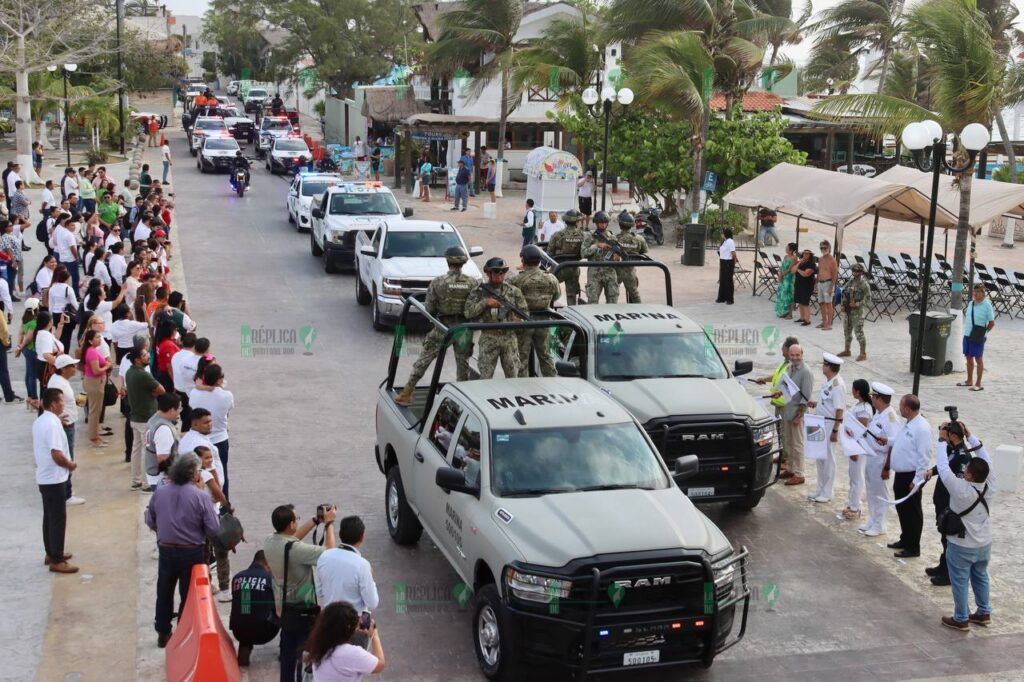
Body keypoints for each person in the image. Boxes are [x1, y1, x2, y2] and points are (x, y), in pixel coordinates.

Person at [145, 452, 220, 647]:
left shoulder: (161, 492)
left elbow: (150, 518)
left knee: (164, 590)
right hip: (192, 551)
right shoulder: (200, 496)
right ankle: (183, 632)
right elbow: (213, 528)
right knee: (188, 595)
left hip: (166, 549)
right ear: (194, 473)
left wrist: (162, 531)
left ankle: (163, 631)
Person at [927, 423, 992, 630]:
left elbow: (944, 467)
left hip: (962, 544)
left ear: (970, 475)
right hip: (984, 543)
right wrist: (971, 437)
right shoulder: (991, 484)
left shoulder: (961, 489)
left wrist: (941, 440)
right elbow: (985, 458)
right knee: (981, 577)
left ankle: (961, 617)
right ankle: (983, 612)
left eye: (967, 472)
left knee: (960, 580)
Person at [263, 503, 338, 682]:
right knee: (304, 656)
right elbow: (330, 553)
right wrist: (329, 524)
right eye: (296, 519)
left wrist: (315, 521)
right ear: (290, 524)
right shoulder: (296, 550)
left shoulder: (269, 541)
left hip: (284, 609)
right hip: (302, 610)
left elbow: (291, 540)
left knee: (287, 655)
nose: (298, 521)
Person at [393, 247, 476, 405]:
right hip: (463, 329)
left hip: (442, 327)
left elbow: (429, 308)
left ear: (448, 261)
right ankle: (463, 401)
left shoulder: (438, 282)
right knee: (463, 363)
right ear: (463, 263)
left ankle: (407, 393)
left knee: (424, 359)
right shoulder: (472, 282)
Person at [33, 388, 78, 573]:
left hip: (46, 477)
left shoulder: (44, 420)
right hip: (54, 478)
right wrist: (69, 465)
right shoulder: (51, 425)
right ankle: (56, 559)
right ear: (53, 404)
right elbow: (56, 454)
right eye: (61, 401)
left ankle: (51, 552)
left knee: (49, 517)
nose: (63, 403)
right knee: (58, 518)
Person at [882, 394, 932, 558]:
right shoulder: (909, 423)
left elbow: (924, 456)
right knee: (902, 509)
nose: (900, 409)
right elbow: (899, 441)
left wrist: (917, 481)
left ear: (908, 409)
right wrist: (887, 440)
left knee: (912, 512)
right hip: (901, 475)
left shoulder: (922, 428)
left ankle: (913, 546)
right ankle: (905, 538)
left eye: (901, 406)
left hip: (911, 476)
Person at [464, 257, 528, 380]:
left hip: (509, 338)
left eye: (503, 272)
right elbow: (468, 312)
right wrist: (485, 303)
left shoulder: (514, 291)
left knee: (513, 377)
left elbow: (525, 313)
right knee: (485, 378)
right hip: (489, 337)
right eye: (496, 272)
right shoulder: (479, 291)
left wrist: (519, 320)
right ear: (488, 273)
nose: (500, 275)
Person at [509, 245, 560, 377]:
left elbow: (508, 297)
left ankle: (522, 387)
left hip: (523, 321)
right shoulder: (551, 278)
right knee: (545, 355)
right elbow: (557, 296)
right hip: (544, 322)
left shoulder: (516, 279)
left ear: (523, 260)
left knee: (522, 357)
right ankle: (552, 382)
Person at [315, 516, 379, 621]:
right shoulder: (362, 564)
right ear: (362, 537)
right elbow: (372, 603)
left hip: (328, 621)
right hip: (353, 624)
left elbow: (319, 591)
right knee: (373, 631)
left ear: (340, 534)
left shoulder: (324, 556)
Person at [859, 382, 900, 536]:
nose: (872, 400)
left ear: (879, 399)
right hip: (871, 456)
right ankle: (872, 519)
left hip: (881, 459)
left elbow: (893, 443)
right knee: (871, 490)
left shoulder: (890, 417)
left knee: (881, 493)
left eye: (873, 397)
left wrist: (887, 467)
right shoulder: (879, 413)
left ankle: (880, 524)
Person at [306, 602, 386, 681]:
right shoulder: (350, 653)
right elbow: (380, 665)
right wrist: (374, 636)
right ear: (348, 627)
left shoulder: (319, 644)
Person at [189, 363, 234, 497]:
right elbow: (229, 409)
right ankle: (224, 502)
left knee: (200, 473)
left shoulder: (194, 393)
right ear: (219, 380)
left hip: (200, 441)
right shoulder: (227, 396)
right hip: (220, 439)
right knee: (221, 473)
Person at [230, 550, 281, 666]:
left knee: (246, 609)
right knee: (287, 609)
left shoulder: (238, 577)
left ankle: (244, 648)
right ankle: (285, 651)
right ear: (267, 565)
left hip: (239, 631)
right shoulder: (271, 579)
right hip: (266, 631)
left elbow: (244, 606)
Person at [806, 353, 845, 504]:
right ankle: (820, 488)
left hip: (829, 425)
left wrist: (835, 430)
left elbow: (839, 410)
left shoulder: (837, 385)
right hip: (820, 422)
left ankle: (828, 491)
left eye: (824, 364)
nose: (822, 366)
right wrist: (816, 404)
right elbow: (828, 404)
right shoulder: (829, 382)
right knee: (819, 457)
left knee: (828, 458)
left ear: (830, 367)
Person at [126, 344, 165, 490]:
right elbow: (161, 390)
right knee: (146, 450)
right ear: (137, 359)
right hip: (145, 418)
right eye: (144, 355)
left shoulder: (130, 372)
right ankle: (147, 481)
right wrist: (153, 393)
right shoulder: (143, 374)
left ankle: (136, 479)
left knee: (136, 449)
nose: (148, 356)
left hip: (135, 416)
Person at [778, 344, 813, 486]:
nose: (794, 358)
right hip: (788, 411)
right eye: (792, 355)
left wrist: (799, 415)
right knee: (789, 442)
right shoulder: (790, 368)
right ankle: (791, 468)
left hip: (797, 414)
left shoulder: (806, 372)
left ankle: (799, 473)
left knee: (797, 444)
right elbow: (786, 387)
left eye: (797, 355)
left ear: (802, 354)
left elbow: (806, 397)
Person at [844, 378, 872, 519]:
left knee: (857, 477)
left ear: (858, 391)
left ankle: (856, 506)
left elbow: (861, 431)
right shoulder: (859, 405)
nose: (852, 391)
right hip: (853, 446)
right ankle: (851, 503)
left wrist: (855, 449)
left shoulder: (864, 409)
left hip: (859, 447)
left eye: (853, 389)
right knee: (853, 476)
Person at [959, 284, 995, 391]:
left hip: (978, 335)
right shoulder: (971, 303)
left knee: (978, 358)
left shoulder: (987, 305)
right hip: (967, 334)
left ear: (983, 293)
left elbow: (992, 323)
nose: (975, 293)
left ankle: (978, 383)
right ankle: (969, 380)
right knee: (968, 357)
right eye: (974, 291)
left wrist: (984, 333)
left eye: (978, 292)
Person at [546, 209, 585, 305]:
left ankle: (549, 309)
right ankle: (571, 312)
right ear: (577, 221)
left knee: (547, 287)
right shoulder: (583, 235)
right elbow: (584, 252)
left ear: (565, 221)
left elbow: (549, 253)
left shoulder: (557, 235)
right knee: (571, 294)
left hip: (559, 268)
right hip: (574, 268)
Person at [81, 329, 111, 447]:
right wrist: (107, 366)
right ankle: (93, 438)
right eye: (97, 337)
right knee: (94, 411)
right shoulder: (92, 352)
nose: (100, 339)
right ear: (90, 340)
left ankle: (96, 435)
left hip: (97, 382)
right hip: (94, 382)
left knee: (97, 410)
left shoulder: (93, 350)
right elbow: (96, 370)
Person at [144, 392, 182, 490]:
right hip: (163, 480)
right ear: (172, 410)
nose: (179, 412)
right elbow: (163, 458)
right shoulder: (164, 429)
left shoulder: (153, 419)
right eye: (179, 409)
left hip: (154, 476)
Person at [582, 211, 621, 304]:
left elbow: (618, 256)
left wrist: (617, 257)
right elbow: (583, 253)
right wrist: (597, 246)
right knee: (593, 302)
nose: (603, 225)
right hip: (594, 273)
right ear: (596, 223)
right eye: (600, 223)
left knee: (613, 301)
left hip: (610, 273)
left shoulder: (612, 237)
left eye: (604, 223)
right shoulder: (590, 237)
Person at [838, 262, 870, 361]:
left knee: (859, 333)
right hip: (848, 311)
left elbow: (868, 299)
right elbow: (844, 292)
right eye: (853, 270)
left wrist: (857, 304)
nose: (854, 273)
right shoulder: (851, 282)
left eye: (856, 271)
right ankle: (847, 350)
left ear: (861, 272)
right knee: (847, 331)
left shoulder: (864, 284)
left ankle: (863, 353)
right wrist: (843, 305)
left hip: (857, 312)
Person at [615, 211, 648, 303]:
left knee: (613, 294)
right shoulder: (639, 239)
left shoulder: (615, 238)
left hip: (616, 271)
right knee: (634, 294)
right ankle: (639, 312)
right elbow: (644, 252)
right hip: (630, 271)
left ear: (620, 224)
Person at [816, 241, 838, 330]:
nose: (823, 249)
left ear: (829, 248)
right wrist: (816, 283)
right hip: (820, 283)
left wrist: (831, 287)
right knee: (821, 303)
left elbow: (834, 274)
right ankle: (824, 321)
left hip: (828, 283)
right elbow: (819, 271)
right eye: (821, 248)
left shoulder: (832, 260)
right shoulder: (820, 259)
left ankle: (829, 324)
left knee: (828, 304)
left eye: (825, 248)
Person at [793, 248, 816, 326]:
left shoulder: (812, 264)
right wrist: (798, 264)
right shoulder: (800, 262)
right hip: (799, 284)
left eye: (807, 254)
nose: (805, 255)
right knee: (800, 301)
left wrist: (798, 269)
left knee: (805, 302)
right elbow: (792, 271)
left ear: (810, 255)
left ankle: (807, 320)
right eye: (804, 253)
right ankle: (802, 317)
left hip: (807, 285)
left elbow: (806, 274)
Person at [774, 242, 797, 319]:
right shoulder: (786, 256)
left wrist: (782, 275)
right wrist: (780, 274)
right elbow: (782, 266)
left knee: (789, 295)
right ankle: (783, 312)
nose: (786, 249)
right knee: (782, 295)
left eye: (787, 248)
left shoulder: (794, 258)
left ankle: (790, 314)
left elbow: (790, 269)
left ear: (791, 250)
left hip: (789, 279)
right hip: (783, 277)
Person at [716, 228, 738, 305]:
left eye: (722, 233)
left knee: (728, 280)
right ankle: (721, 297)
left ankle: (730, 299)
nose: (721, 234)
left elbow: (733, 253)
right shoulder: (724, 242)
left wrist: (734, 261)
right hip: (722, 261)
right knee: (722, 280)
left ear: (725, 234)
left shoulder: (730, 241)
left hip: (728, 262)